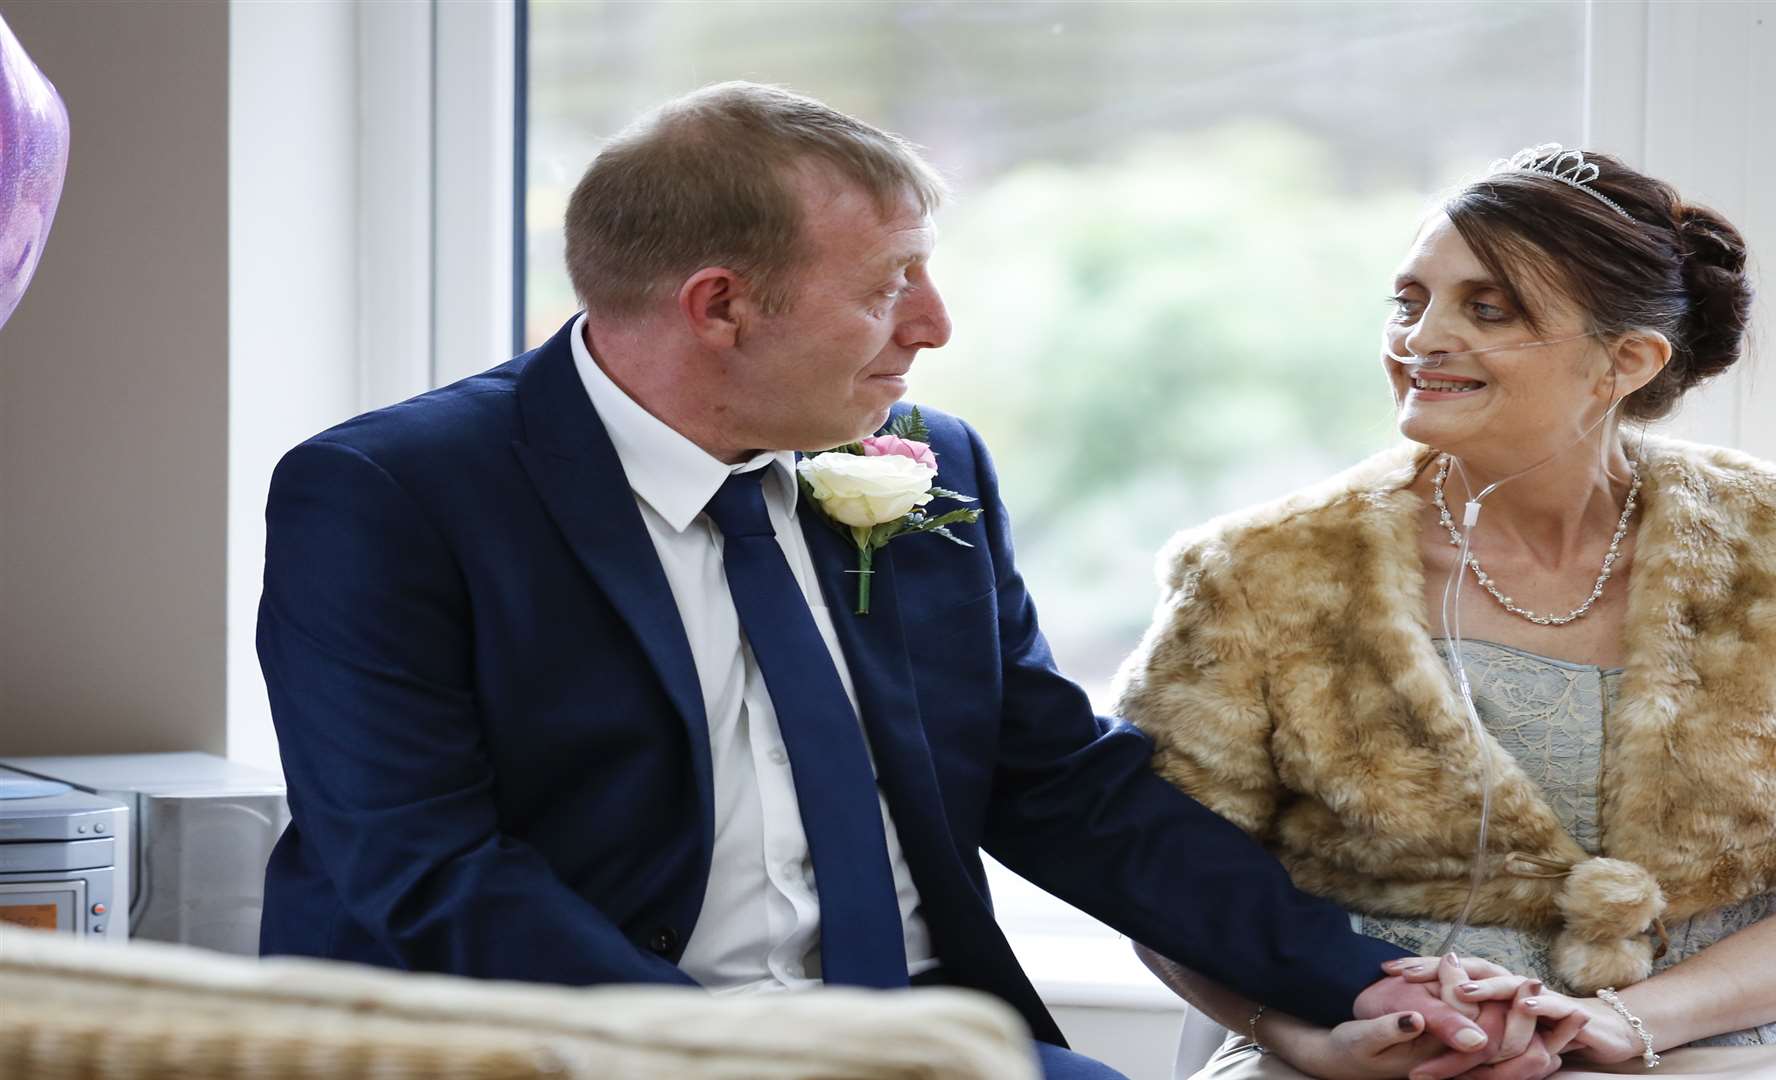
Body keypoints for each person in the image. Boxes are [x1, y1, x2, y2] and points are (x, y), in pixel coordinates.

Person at [253, 82, 1546, 1080]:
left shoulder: (925, 463)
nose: (935, 326)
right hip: (570, 1052)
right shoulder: (390, 497)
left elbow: (1055, 783)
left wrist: (1357, 979)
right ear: (720, 306)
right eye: (889, 286)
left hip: (933, 1050)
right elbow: (427, 871)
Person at [1118, 144, 1776, 1079]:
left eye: (1486, 308)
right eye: (1409, 301)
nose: (1420, 339)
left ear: (1625, 360)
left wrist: (1630, 1020)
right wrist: (1307, 1040)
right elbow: (1165, 888)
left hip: (1713, 1048)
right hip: (1371, 1051)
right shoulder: (1254, 572)